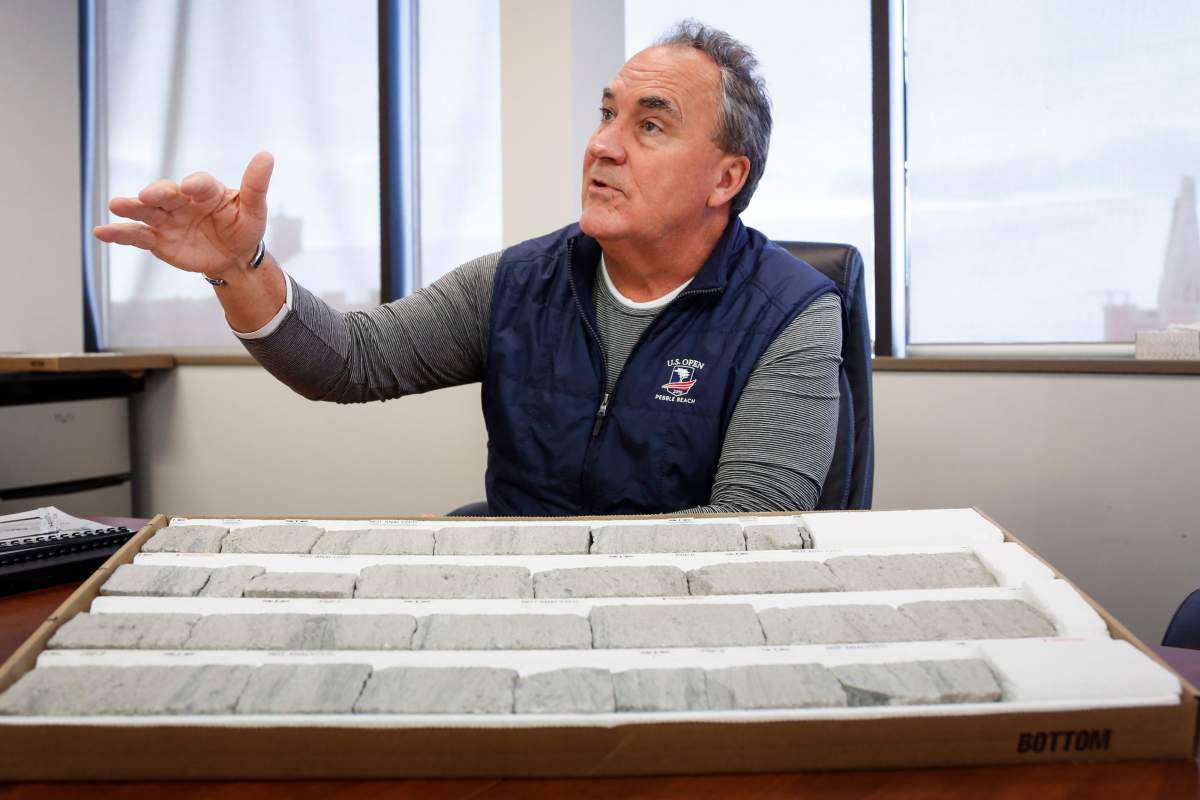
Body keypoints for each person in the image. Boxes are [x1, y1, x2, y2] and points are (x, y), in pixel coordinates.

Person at [95, 21, 843, 517]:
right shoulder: (522, 283)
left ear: (725, 179)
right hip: (521, 604)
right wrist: (240, 265)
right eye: (606, 113)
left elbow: (750, 533)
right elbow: (349, 361)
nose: (604, 145)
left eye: (649, 125)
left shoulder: (791, 310)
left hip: (676, 629)